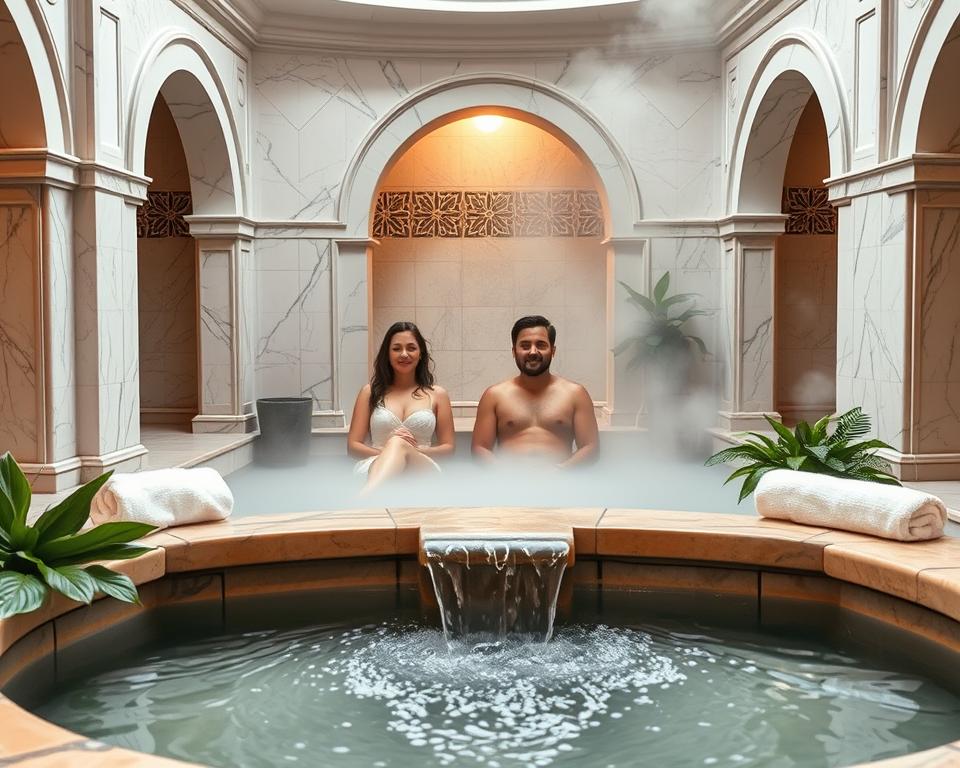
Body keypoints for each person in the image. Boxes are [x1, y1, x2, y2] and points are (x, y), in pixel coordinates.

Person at [471, 315, 599, 467]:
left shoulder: (576, 394)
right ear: (514, 351)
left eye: (541, 345)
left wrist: (561, 471)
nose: (533, 352)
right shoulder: (494, 396)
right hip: (509, 484)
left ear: (553, 350)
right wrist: (505, 474)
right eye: (525, 345)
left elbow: (591, 447)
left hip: (561, 483)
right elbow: (480, 448)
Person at [348, 321, 455, 492]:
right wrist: (389, 452)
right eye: (397, 348)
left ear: (420, 354)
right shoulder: (369, 392)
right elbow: (353, 446)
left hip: (422, 464)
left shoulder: (437, 394)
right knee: (397, 444)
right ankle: (369, 497)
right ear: (387, 354)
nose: (404, 354)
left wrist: (409, 449)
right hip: (375, 461)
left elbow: (448, 448)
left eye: (411, 348)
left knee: (398, 443)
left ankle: (362, 501)